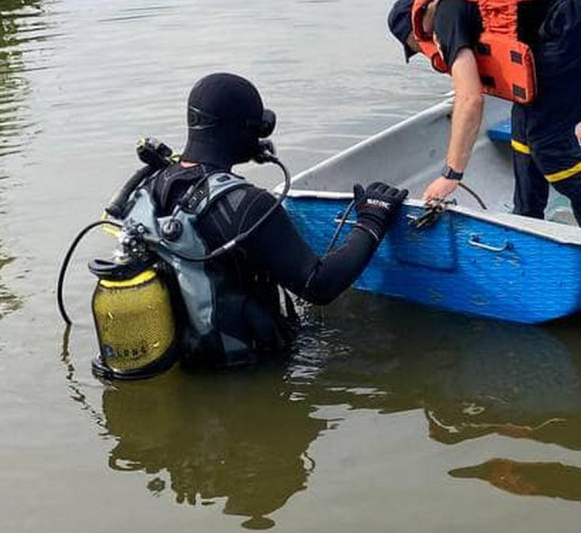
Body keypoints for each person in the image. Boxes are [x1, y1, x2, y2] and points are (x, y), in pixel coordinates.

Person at [125, 73, 408, 365]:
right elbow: (320, 285)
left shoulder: (148, 189)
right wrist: (372, 221)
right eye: (257, 127)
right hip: (248, 365)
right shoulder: (247, 205)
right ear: (241, 130)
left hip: (183, 357)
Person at [387, 0, 581, 232]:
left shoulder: (445, 16)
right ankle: (527, 218)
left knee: (549, 143)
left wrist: (451, 174)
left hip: (576, 11)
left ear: (415, 29)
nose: (426, 51)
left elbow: (469, 99)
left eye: (416, 47)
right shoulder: (469, 1)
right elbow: (559, 72)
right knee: (523, 119)